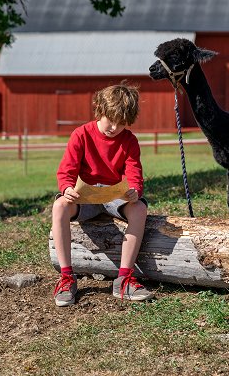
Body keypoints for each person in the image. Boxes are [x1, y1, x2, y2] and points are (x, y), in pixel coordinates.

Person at [51, 83, 154, 307]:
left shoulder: (129, 141)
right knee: (59, 207)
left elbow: (134, 171)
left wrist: (135, 190)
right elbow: (66, 170)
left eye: (121, 123)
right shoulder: (81, 135)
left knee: (140, 209)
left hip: (114, 195)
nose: (114, 127)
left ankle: (124, 278)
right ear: (100, 110)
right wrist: (67, 188)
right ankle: (67, 277)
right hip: (85, 197)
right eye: (111, 120)